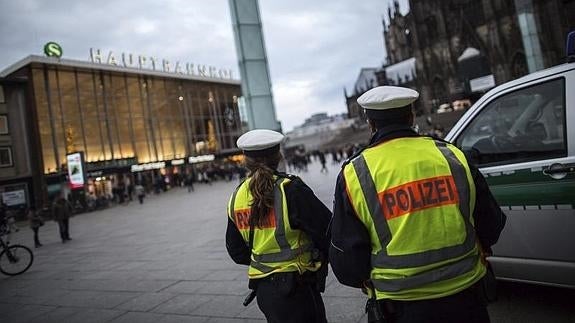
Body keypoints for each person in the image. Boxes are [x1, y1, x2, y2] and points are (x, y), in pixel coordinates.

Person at [329, 86, 507, 323]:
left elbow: (347, 262)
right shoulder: (452, 156)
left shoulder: (355, 173)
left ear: (370, 123)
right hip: (466, 297)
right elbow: (492, 223)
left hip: (400, 307)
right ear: (411, 117)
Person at [226, 129, 332, 323]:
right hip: (297, 288)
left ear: (246, 161)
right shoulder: (291, 189)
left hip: (265, 291)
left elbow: (236, 251)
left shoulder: (236, 196)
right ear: (278, 156)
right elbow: (328, 231)